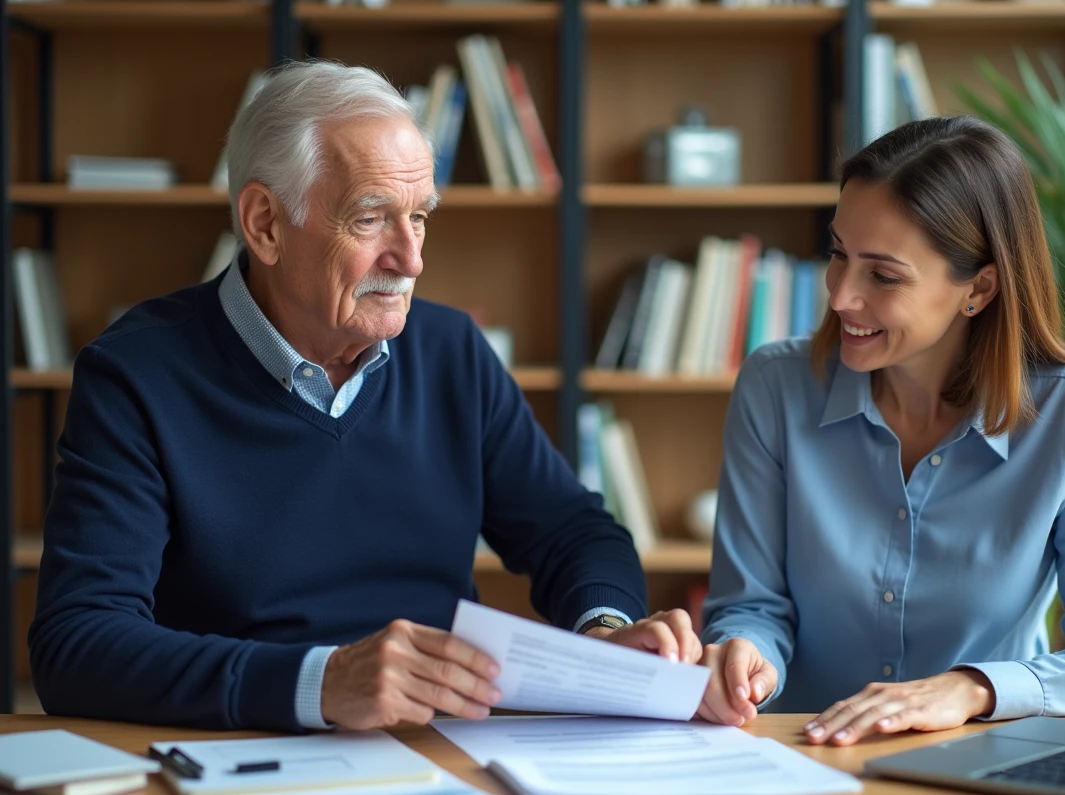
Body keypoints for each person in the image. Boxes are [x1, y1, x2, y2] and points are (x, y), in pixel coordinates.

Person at [30, 60, 700, 733]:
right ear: (265, 223)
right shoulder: (135, 374)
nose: (411, 259)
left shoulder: (452, 351)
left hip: (439, 753)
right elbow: (77, 643)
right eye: (372, 219)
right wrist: (320, 683)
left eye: (420, 217)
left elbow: (572, 531)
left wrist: (605, 630)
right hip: (242, 756)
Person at [695, 116, 1065, 743]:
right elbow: (751, 605)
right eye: (838, 254)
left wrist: (973, 688)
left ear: (979, 288)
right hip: (802, 755)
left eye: (883, 276)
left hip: (985, 763)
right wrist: (744, 655)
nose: (840, 297)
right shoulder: (775, 387)